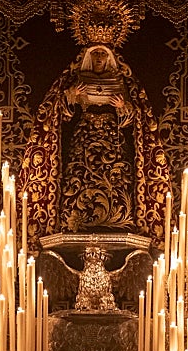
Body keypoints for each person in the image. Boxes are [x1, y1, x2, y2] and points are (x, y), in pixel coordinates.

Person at [20, 43, 168, 244]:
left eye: (103, 54)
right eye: (95, 54)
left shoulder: (121, 81)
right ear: (89, 57)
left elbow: (137, 118)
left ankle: (116, 220)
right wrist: (72, 95)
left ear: (109, 58)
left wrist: (122, 106)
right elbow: (60, 114)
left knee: (115, 177)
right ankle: (77, 219)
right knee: (80, 175)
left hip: (112, 138)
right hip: (84, 136)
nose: (99, 58)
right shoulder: (75, 80)